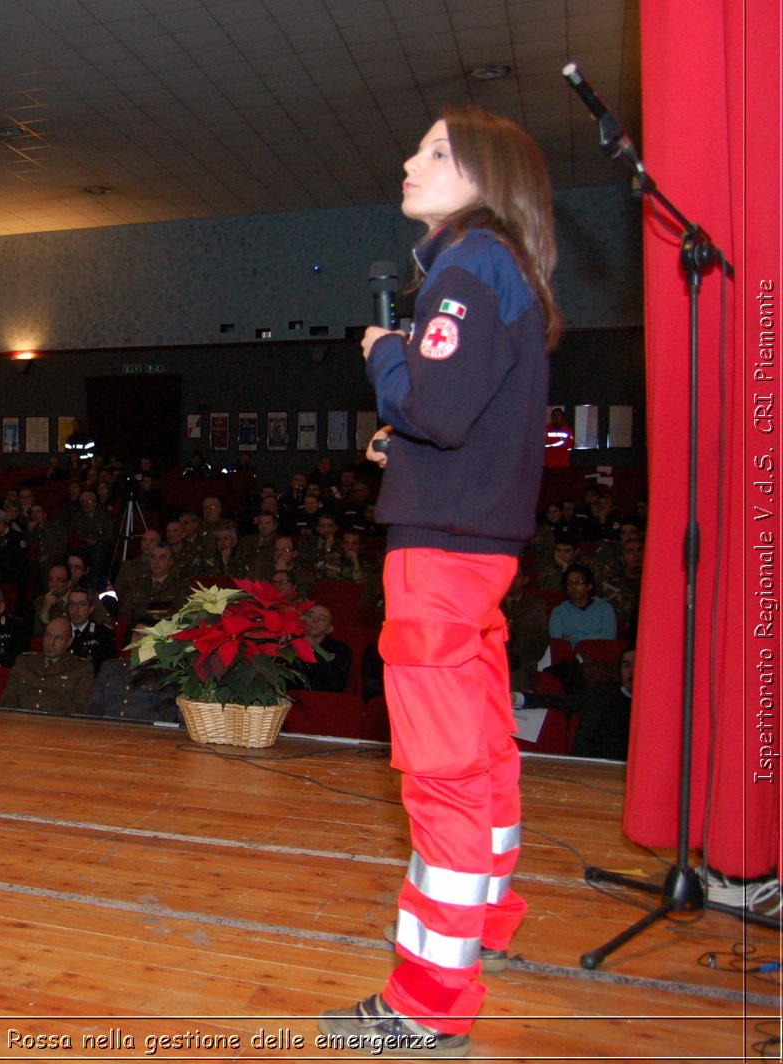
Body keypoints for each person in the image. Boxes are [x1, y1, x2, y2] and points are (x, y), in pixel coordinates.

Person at [320, 106, 561, 1057]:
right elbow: (463, 426)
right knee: (484, 754)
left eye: (436, 152)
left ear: (486, 176)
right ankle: (483, 920)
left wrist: (386, 360)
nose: (411, 162)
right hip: (479, 545)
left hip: (440, 562)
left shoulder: (465, 267)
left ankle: (425, 1004)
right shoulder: (507, 271)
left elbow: (437, 405)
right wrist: (403, 447)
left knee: (443, 777)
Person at [0, 617, 94, 712]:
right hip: (21, 721)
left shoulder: (80, 668)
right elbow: (7, 700)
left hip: (56, 724)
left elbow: (78, 708)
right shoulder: (24, 661)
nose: (50, 643)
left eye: (58, 638)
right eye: (48, 636)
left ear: (69, 642)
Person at [548, 563, 617, 645]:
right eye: (569, 583)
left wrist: (574, 638)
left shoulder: (605, 608)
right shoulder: (558, 612)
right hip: (570, 656)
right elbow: (558, 643)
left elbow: (609, 637)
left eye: (578, 582)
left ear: (589, 586)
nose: (573, 586)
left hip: (600, 654)